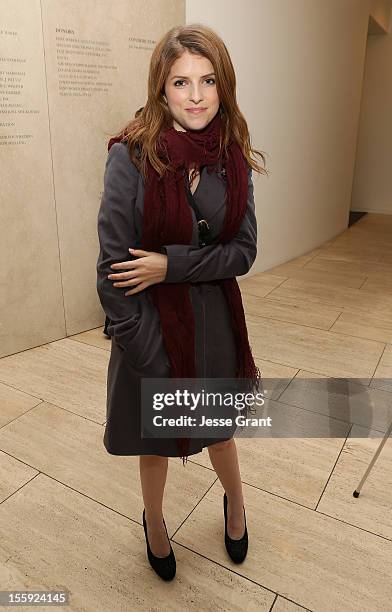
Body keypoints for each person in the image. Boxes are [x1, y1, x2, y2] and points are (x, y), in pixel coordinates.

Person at [96, 23, 267, 581]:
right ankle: (155, 523)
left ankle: (235, 506)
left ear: (224, 85)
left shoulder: (231, 156)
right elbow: (112, 275)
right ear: (161, 89)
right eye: (180, 82)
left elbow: (242, 252)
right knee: (156, 444)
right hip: (150, 333)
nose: (196, 95)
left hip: (215, 325)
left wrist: (173, 265)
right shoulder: (130, 158)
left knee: (219, 432)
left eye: (208, 80)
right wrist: (152, 356)